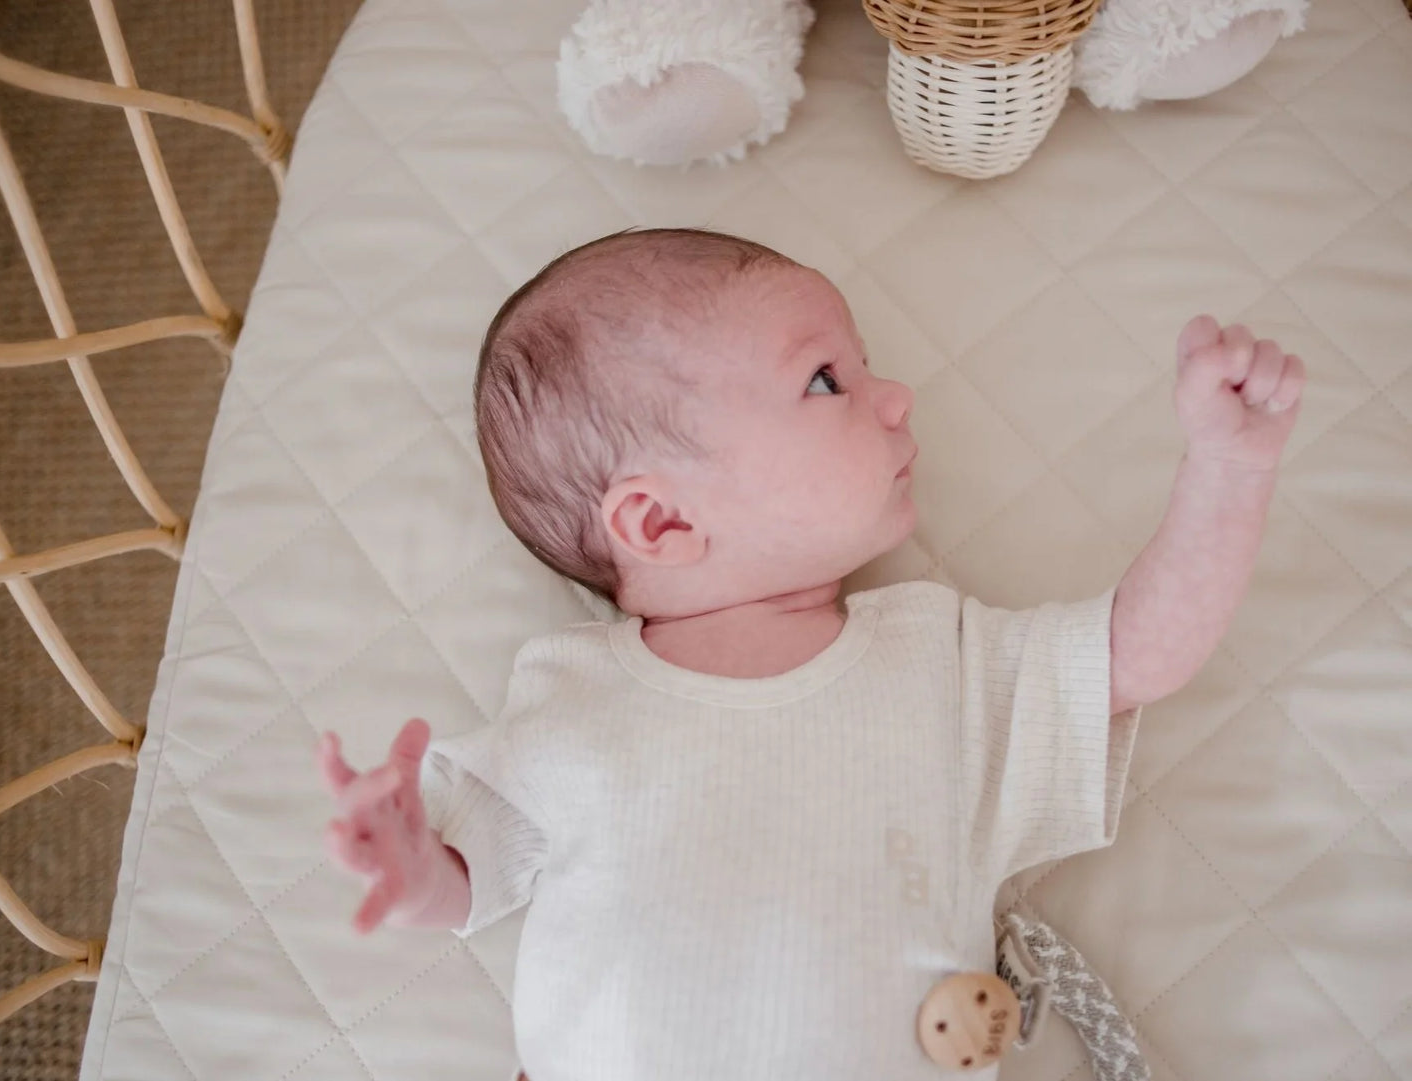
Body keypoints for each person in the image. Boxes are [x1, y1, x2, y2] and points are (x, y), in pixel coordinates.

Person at [317, 229, 1304, 1080]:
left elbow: (1132, 652)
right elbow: (469, 879)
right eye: (825, 379)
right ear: (661, 521)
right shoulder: (569, 697)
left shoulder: (940, 658)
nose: (896, 396)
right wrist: (413, 862)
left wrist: (1228, 468)